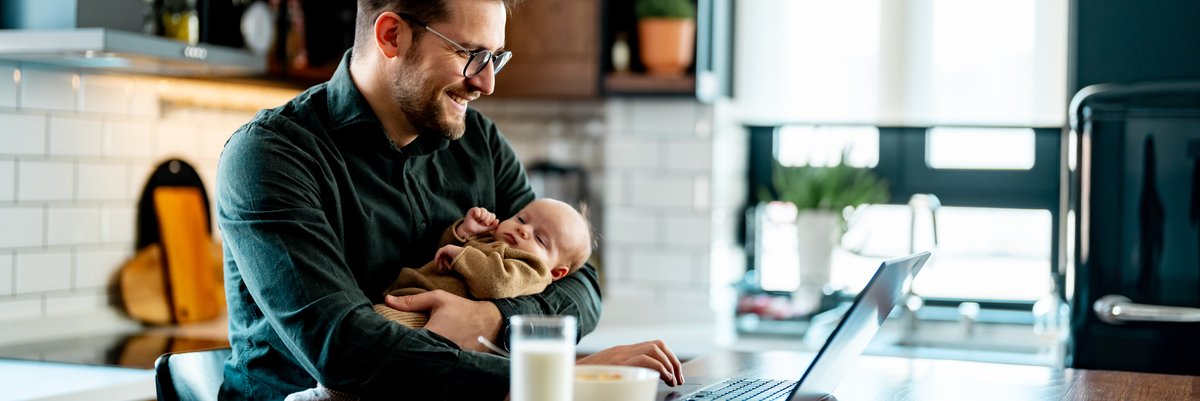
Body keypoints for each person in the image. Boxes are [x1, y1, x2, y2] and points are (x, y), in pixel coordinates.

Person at [215, 0, 683, 399]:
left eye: (495, 58)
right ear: (392, 35)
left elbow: (580, 285)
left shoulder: (479, 142)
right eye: (472, 54)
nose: (486, 83)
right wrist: (550, 379)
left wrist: (492, 319)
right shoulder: (268, 156)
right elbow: (345, 349)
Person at [287, 199, 593, 400]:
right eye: (521, 218)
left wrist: (463, 255)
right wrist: (463, 231)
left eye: (540, 238)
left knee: (381, 345)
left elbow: (496, 282)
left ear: (557, 271)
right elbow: (444, 252)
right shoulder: (491, 239)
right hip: (408, 297)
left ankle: (326, 396)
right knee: (375, 341)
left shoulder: (531, 269)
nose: (523, 230)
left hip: (424, 318)